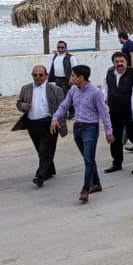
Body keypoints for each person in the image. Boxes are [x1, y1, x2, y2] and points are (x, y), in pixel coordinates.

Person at [51, 65, 114, 203]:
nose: (71, 77)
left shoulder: (96, 93)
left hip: (90, 128)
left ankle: (86, 189)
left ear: (81, 77)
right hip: (77, 127)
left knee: (88, 158)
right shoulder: (73, 90)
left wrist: (109, 132)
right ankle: (96, 183)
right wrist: (55, 118)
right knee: (88, 158)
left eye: (73, 75)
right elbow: (64, 105)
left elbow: (104, 114)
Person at [13, 65, 66, 187]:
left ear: (46, 76)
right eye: (35, 75)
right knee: (40, 150)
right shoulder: (25, 88)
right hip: (32, 124)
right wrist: (22, 106)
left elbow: (63, 107)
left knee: (44, 150)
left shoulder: (55, 90)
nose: (38, 77)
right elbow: (18, 102)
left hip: (49, 123)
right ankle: (49, 170)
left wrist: (57, 120)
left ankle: (40, 175)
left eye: (40, 75)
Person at [104, 52, 133, 173]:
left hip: (130, 111)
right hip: (114, 111)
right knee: (115, 138)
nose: (119, 64)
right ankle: (116, 163)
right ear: (113, 63)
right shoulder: (109, 73)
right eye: (117, 62)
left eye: (122, 61)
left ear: (126, 62)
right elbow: (105, 89)